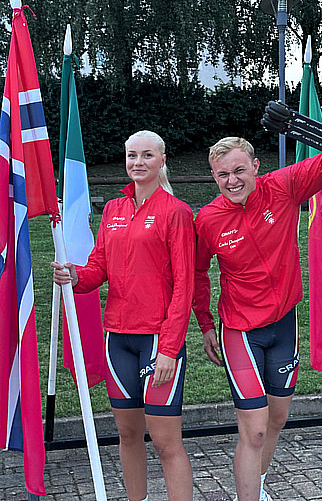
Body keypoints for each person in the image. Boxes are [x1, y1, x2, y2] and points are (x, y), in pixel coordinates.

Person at [193, 131, 322, 501]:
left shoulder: (282, 187)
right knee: (254, 430)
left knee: (276, 419)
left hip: (283, 325)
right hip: (240, 331)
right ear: (213, 176)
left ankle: (255, 486)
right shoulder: (208, 219)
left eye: (239, 170)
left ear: (255, 166)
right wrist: (206, 324)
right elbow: (196, 273)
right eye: (222, 175)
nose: (232, 181)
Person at [52, 131, 195, 501]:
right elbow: (99, 266)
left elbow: (184, 286)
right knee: (129, 434)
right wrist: (75, 274)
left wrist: (170, 348)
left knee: (165, 442)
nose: (138, 162)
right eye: (132, 155)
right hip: (118, 339)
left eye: (147, 155)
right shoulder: (114, 211)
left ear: (162, 160)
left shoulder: (176, 212)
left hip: (158, 343)